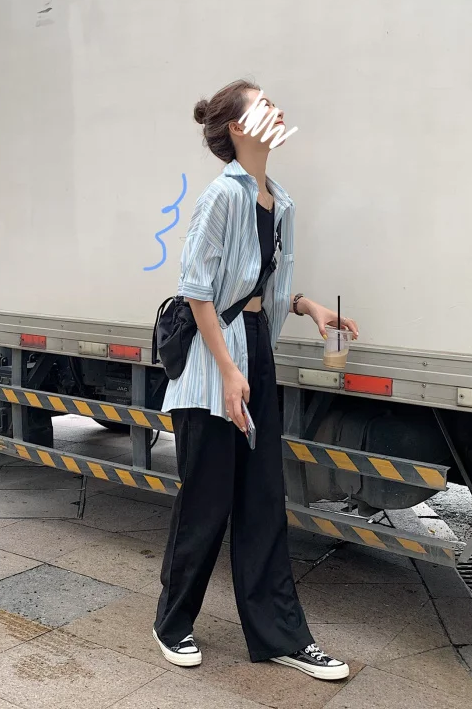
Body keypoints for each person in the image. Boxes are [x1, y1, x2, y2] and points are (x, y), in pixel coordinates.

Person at [153, 80, 359, 681]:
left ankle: (281, 637)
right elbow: (197, 291)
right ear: (240, 129)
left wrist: (308, 307)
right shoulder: (222, 196)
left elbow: (257, 286)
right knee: (207, 501)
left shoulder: (279, 201)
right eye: (264, 105)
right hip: (213, 362)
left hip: (254, 353)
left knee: (263, 500)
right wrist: (227, 371)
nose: (278, 110)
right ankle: (172, 623)